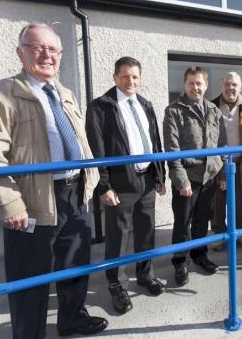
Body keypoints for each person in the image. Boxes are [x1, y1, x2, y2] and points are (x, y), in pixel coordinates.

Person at [0, 23, 107, 338]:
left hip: (74, 194)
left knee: (75, 266)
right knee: (29, 277)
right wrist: (10, 203)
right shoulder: (2, 93)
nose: (46, 55)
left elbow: (81, 142)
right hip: (31, 200)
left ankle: (72, 319)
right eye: (37, 47)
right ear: (20, 53)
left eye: (53, 49)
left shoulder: (65, 93)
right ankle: (29, 333)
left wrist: (92, 180)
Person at [86, 57, 166, 315]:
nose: (130, 81)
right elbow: (96, 149)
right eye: (124, 76)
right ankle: (117, 285)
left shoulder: (145, 104)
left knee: (147, 232)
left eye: (134, 77)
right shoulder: (101, 107)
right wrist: (103, 186)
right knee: (118, 237)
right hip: (119, 184)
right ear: (114, 78)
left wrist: (160, 176)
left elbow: (155, 141)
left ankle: (145, 275)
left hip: (146, 180)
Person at [163, 66, 227, 285]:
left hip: (209, 177)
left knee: (201, 221)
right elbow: (172, 150)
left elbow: (222, 145)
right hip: (187, 180)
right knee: (183, 223)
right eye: (191, 83)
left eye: (199, 83)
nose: (195, 87)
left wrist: (223, 174)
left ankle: (199, 255)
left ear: (206, 85)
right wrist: (182, 181)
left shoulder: (213, 110)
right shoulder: (174, 111)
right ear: (185, 84)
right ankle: (180, 262)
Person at [211, 72, 242, 251]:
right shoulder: (212, 105)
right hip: (218, 164)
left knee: (240, 203)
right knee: (218, 202)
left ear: (240, 87)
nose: (231, 88)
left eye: (234, 85)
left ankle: (241, 234)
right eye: (227, 84)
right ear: (221, 85)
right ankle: (218, 235)